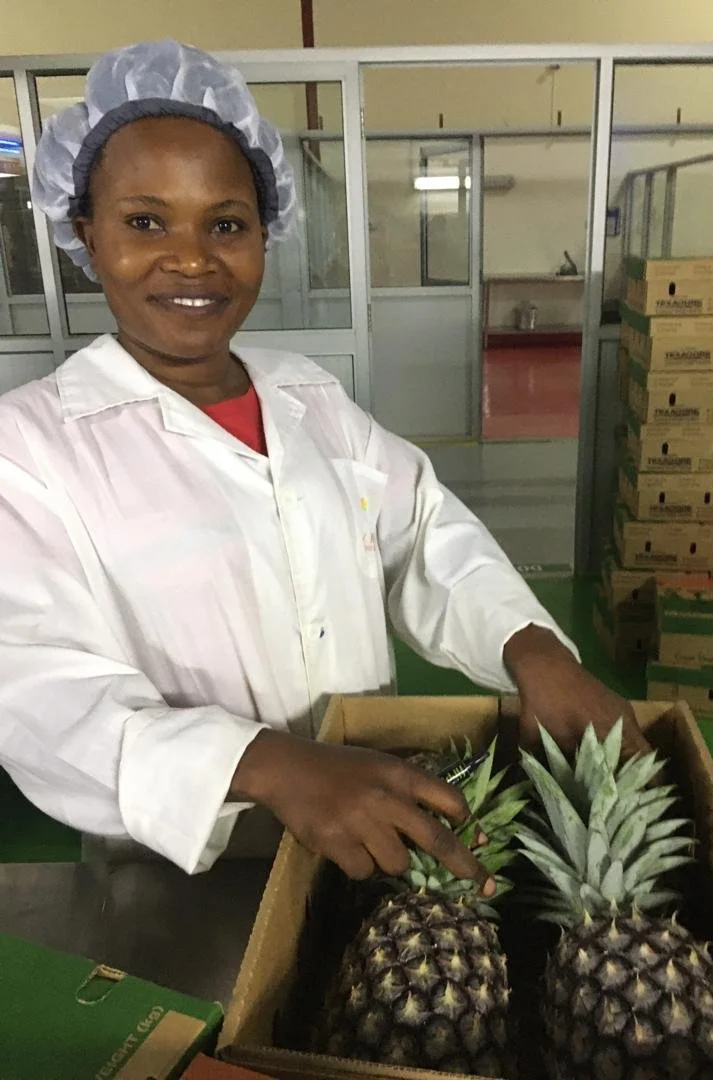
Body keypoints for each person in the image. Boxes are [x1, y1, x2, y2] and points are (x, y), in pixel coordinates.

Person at [0, 40, 641, 887]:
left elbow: (420, 530)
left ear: (265, 235)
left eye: (226, 224)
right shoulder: (30, 448)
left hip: (373, 844)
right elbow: (35, 687)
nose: (191, 258)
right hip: (188, 875)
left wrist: (529, 645)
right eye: (145, 221)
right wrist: (268, 764)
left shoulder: (310, 398)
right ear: (86, 230)